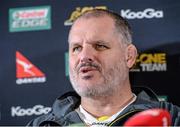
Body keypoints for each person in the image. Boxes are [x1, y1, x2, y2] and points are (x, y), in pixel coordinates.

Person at [27, 9, 180, 126]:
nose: (84, 56)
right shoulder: (41, 125)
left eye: (100, 46)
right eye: (77, 48)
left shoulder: (173, 119)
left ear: (129, 56)